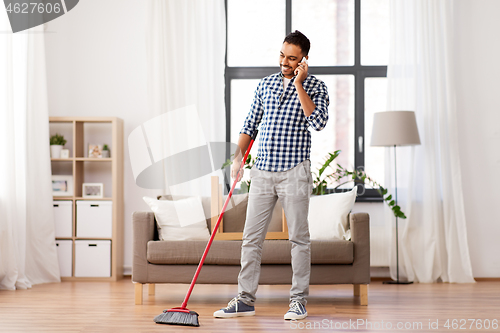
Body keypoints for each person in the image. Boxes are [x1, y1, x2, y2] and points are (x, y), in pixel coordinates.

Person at [213, 30, 329, 321]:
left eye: (292, 58)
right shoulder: (264, 85)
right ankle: (244, 299)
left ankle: (298, 302)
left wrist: (299, 83)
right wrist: (237, 160)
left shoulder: (315, 86)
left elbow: (318, 122)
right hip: (262, 171)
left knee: (299, 240)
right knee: (251, 238)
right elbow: (249, 125)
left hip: (294, 171)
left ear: (304, 60)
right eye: (282, 55)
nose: (285, 62)